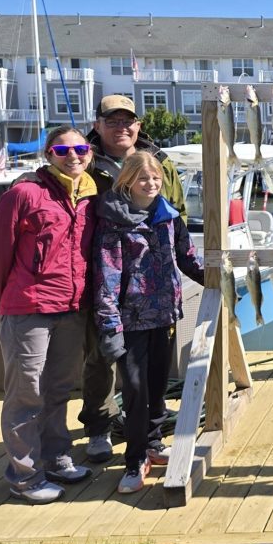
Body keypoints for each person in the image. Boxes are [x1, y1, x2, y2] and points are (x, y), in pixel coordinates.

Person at [0, 126, 97, 503]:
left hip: (71, 307)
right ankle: (25, 477)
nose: (73, 155)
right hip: (27, 308)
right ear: (49, 153)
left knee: (58, 389)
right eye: (63, 149)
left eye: (80, 148)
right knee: (26, 394)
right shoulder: (24, 193)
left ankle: (56, 458)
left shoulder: (89, 196)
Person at [79, 94, 187, 464]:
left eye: (128, 121)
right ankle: (100, 427)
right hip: (107, 284)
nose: (121, 127)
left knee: (152, 377)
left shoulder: (162, 162)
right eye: (112, 121)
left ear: (138, 125)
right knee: (100, 357)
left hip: (158, 299)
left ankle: (149, 436)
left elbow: (178, 215)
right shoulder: (84, 160)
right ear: (98, 125)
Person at [93, 151, 204, 493]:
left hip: (164, 315)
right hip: (130, 320)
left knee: (157, 386)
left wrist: (214, 280)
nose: (151, 184)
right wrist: (110, 325)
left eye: (155, 178)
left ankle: (153, 443)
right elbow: (107, 277)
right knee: (136, 391)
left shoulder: (168, 216)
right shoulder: (113, 220)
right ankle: (134, 458)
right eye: (143, 178)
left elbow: (187, 257)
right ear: (127, 180)